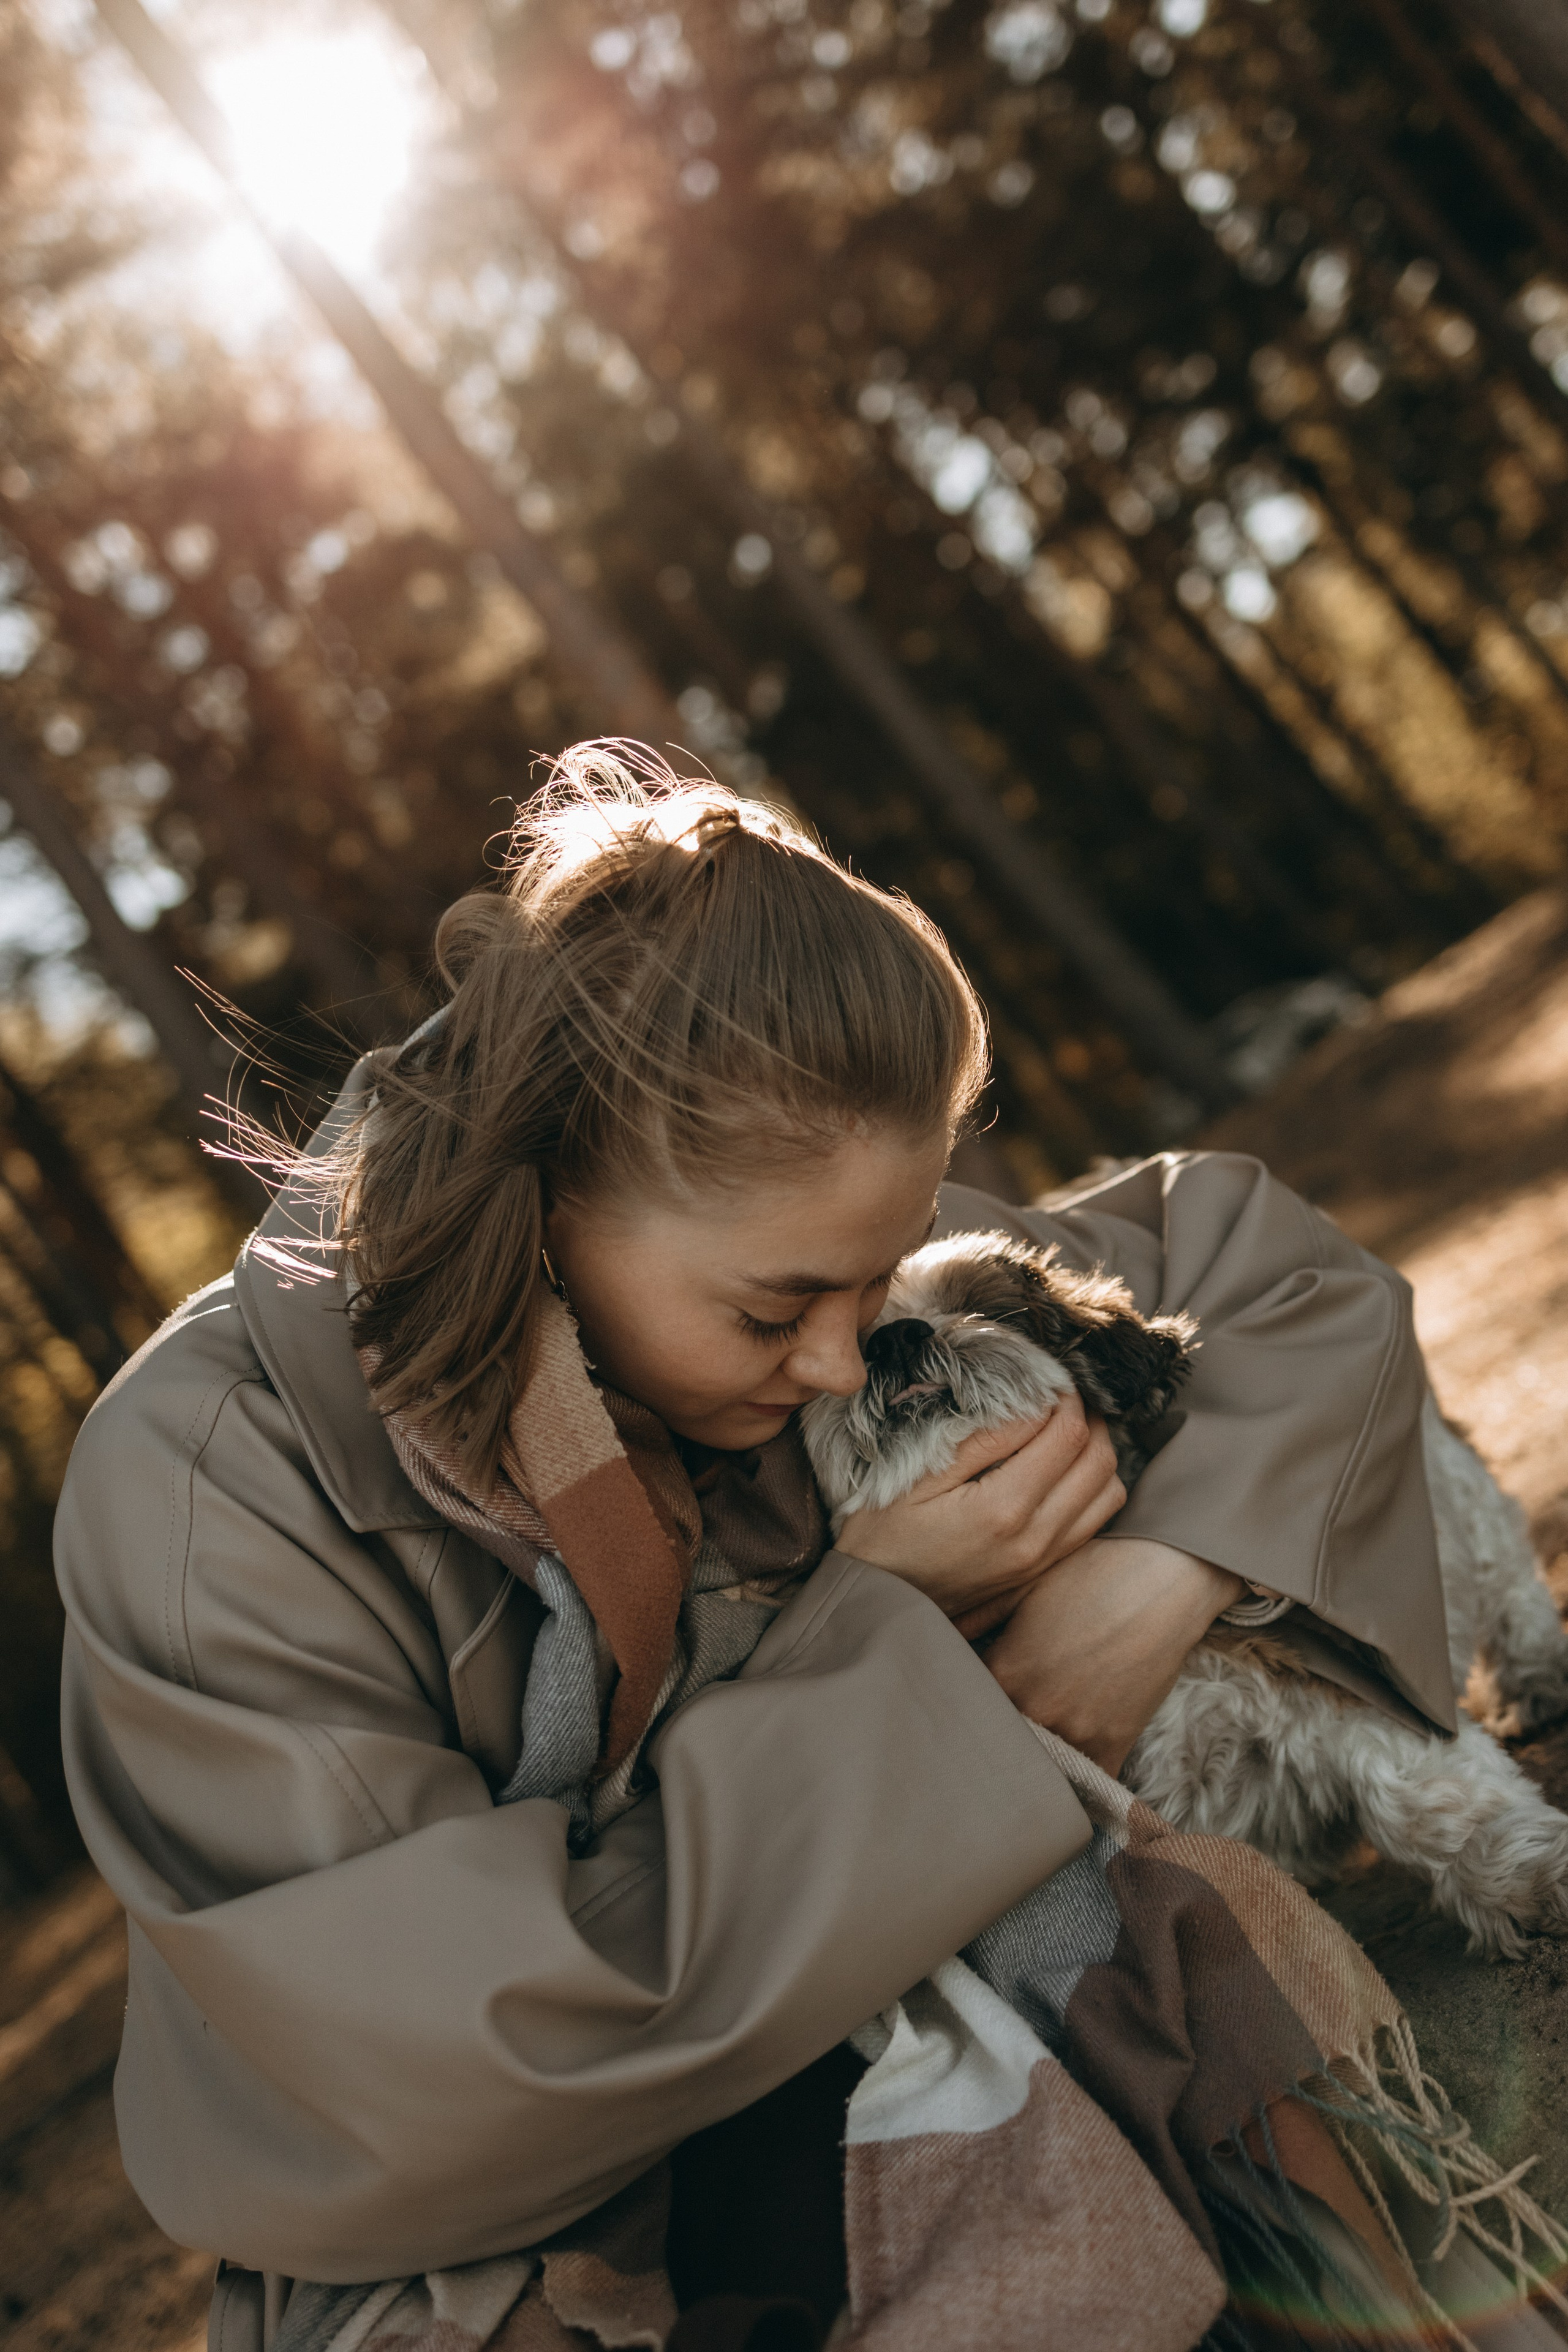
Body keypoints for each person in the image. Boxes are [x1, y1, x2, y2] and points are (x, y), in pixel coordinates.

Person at [55, 747, 1464, 2352]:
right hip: (502, 2244)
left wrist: (1158, 1584)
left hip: (892, 2025)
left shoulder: (793, 1227)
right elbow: (472, 2055)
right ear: (555, 1191)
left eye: (873, 1290)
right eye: (778, 1312)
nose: (847, 1367)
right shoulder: (209, 1488)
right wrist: (915, 1677)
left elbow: (1300, 1291)